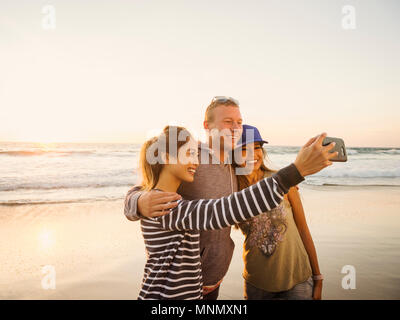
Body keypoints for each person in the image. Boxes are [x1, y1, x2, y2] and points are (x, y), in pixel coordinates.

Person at [124, 96, 337, 299]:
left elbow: (248, 194)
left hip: (209, 282)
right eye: (228, 122)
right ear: (207, 126)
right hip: (181, 285)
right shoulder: (192, 156)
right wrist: (138, 202)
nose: (235, 128)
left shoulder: (236, 169)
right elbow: (154, 181)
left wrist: (284, 185)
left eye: (239, 122)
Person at [233, 124, 323, 300]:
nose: (253, 154)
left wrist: (318, 277)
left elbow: (303, 230)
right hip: (257, 281)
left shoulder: (283, 181)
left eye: (257, 147)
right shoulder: (232, 190)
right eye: (244, 150)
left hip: (298, 279)